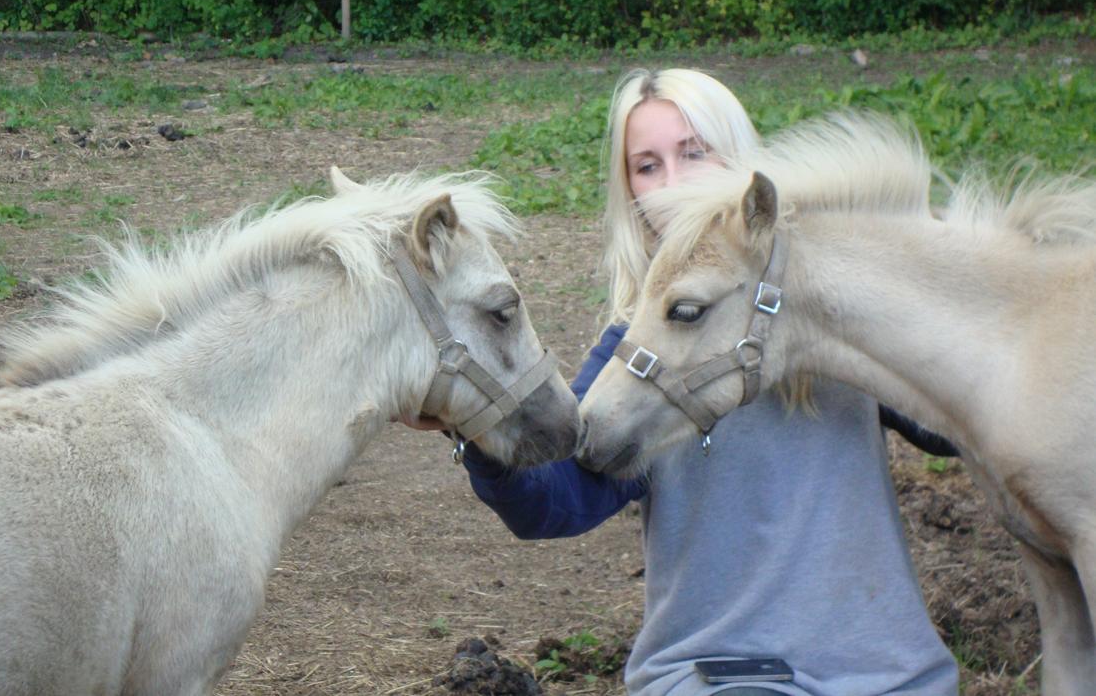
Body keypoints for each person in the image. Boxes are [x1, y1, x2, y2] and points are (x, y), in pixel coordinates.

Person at [407, 68, 960, 695]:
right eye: (647, 166)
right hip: (720, 674)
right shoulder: (636, 353)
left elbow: (955, 430)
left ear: (743, 166)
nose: (671, 187)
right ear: (629, 193)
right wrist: (476, 421)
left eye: (693, 154)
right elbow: (559, 501)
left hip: (886, 673)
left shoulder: (835, 312)